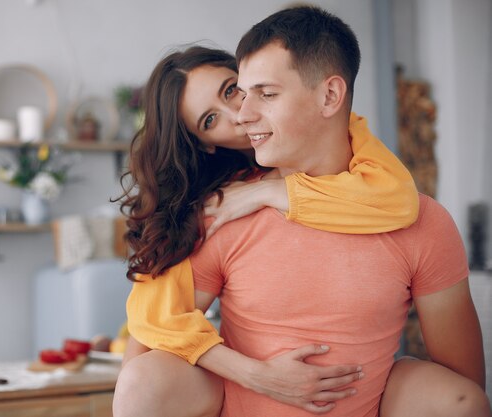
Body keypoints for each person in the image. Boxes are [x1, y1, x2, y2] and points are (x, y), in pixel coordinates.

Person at [114, 5, 490, 417]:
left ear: (330, 95)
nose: (242, 115)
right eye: (210, 120)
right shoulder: (221, 209)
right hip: (237, 397)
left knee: (459, 398)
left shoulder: (406, 208)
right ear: (205, 142)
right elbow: (150, 346)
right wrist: (255, 374)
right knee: (144, 379)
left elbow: (464, 381)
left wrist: (279, 194)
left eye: (251, 92)